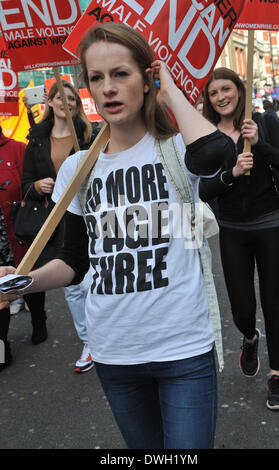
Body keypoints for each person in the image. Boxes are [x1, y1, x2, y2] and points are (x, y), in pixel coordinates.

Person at [0, 23, 230, 449]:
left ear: (146, 78)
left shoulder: (179, 148)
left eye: (121, 74)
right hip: (114, 352)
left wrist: (171, 92)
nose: (108, 88)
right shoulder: (77, 170)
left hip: (182, 349)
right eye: (97, 77)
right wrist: (21, 282)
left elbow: (219, 153)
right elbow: (73, 261)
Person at [197, 67, 279, 411]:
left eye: (226, 89)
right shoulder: (207, 136)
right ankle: (250, 338)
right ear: (209, 100)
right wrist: (232, 173)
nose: (221, 97)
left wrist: (262, 144)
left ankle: (275, 375)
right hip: (233, 231)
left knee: (272, 302)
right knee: (242, 308)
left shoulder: (264, 121)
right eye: (213, 93)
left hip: (270, 224)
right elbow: (203, 188)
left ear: (239, 90)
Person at [21, 80, 99, 373]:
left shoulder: (91, 134)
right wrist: (39, 186)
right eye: (61, 97)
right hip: (56, 219)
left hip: (91, 215)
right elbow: (26, 183)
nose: (67, 102)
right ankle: (88, 341)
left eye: (73, 98)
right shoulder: (37, 139)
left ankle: (107, 332)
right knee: (73, 286)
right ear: (51, 102)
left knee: (93, 280)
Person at [0, 127, 56, 370]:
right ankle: (2, 347)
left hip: (16, 227)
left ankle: (38, 318)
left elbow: (29, 185)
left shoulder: (17, 148)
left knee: (26, 273)